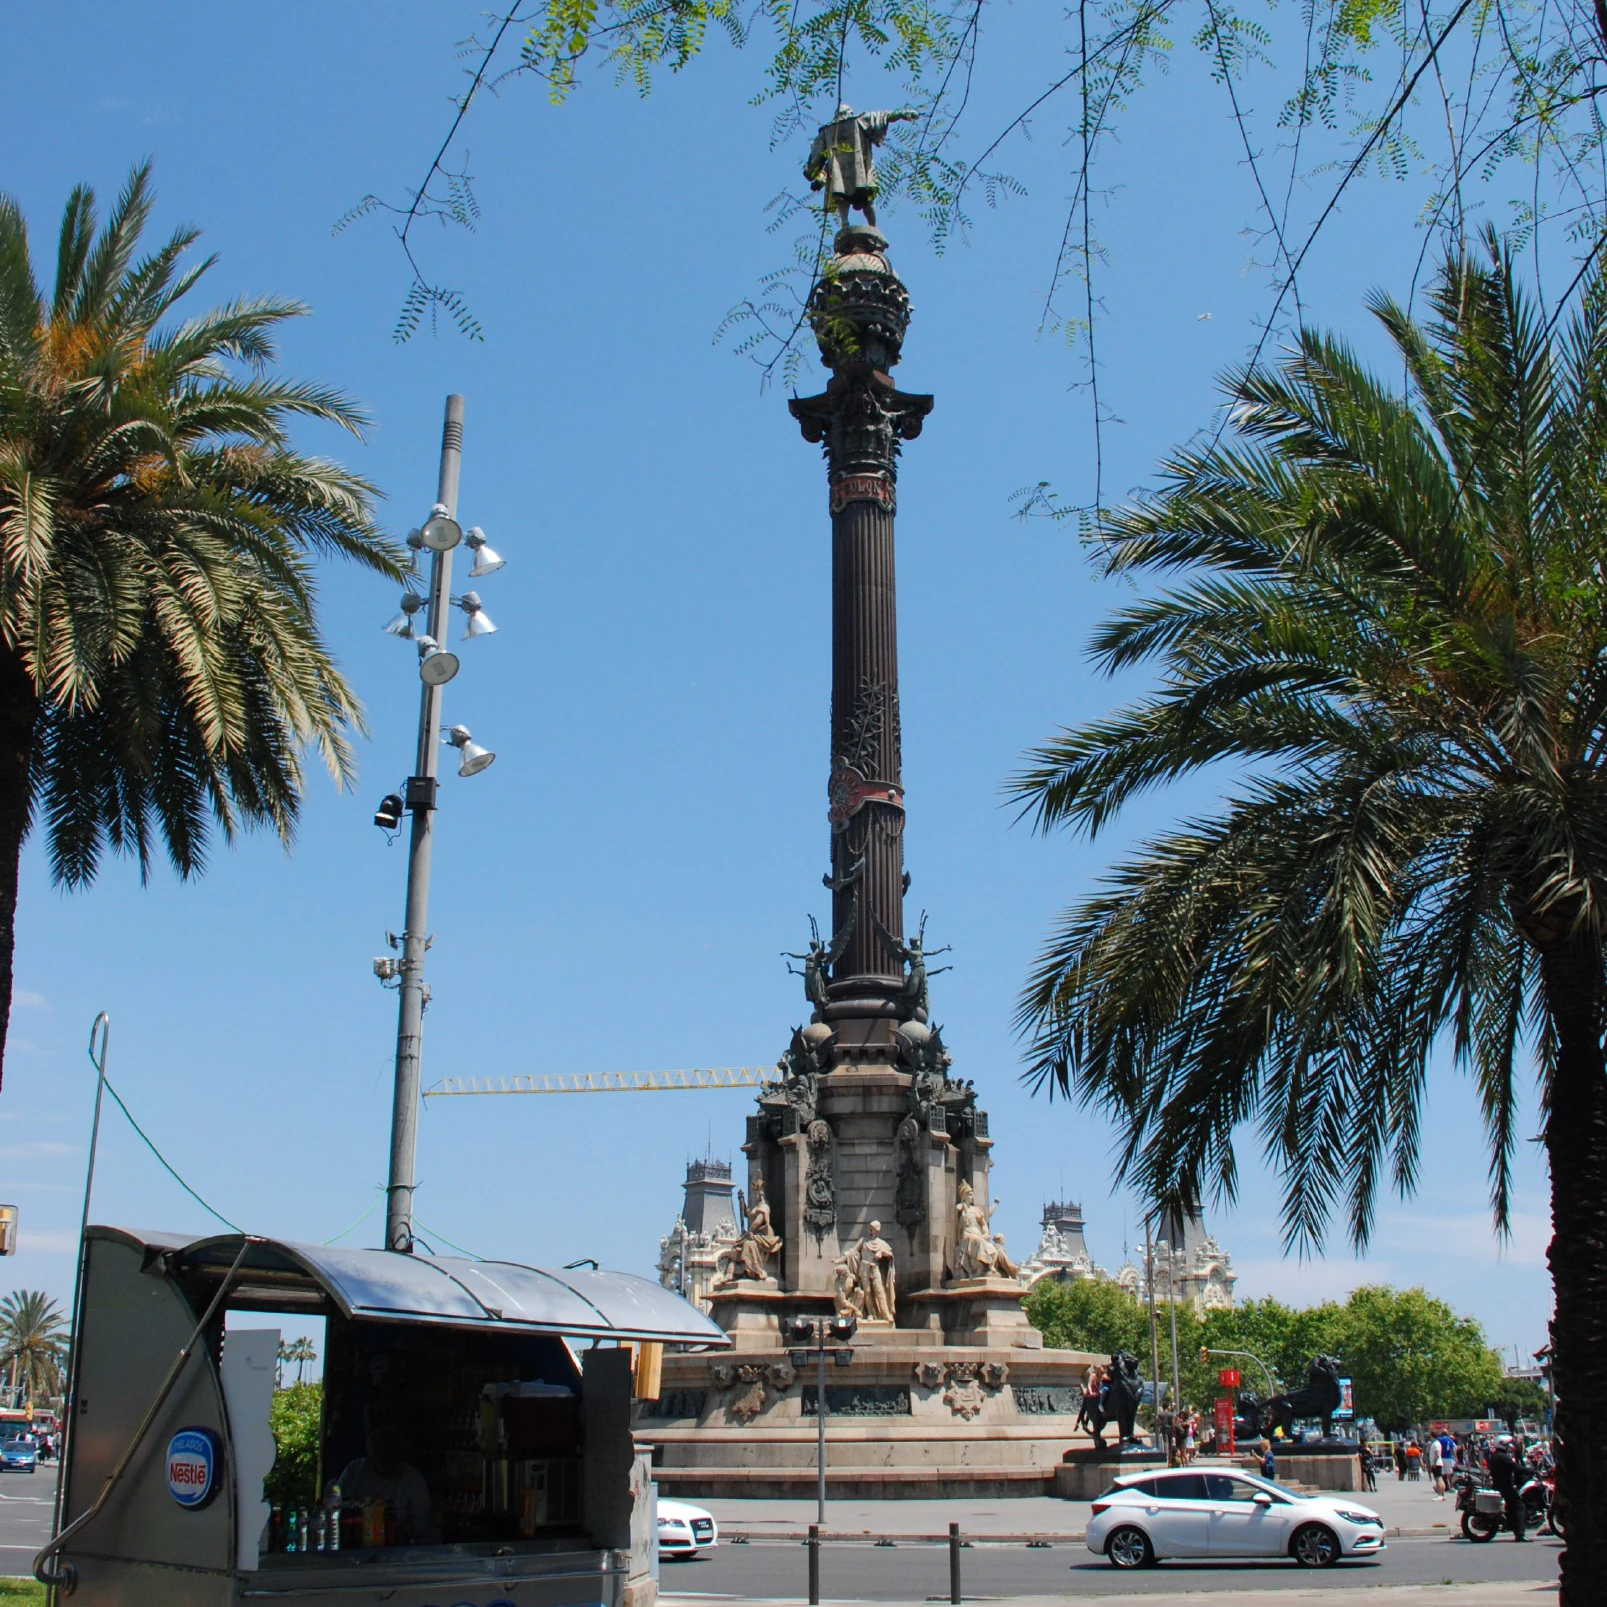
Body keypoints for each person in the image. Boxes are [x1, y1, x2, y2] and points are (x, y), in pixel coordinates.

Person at [333, 1424, 434, 1545]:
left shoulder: (413, 1480)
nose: (389, 1465)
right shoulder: (354, 1471)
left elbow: (421, 1524)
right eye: (384, 1458)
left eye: (393, 1459)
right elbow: (336, 1507)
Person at [1485, 1435, 1527, 1541]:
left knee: (1512, 1507)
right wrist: (1531, 1470)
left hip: (1499, 1485)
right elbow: (1515, 1467)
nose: (1510, 1446)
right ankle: (1520, 1534)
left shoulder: (1496, 1455)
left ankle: (1512, 1525)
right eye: (1508, 1444)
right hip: (1505, 1486)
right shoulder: (1502, 1457)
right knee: (1519, 1506)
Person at [1425, 1432, 1443, 1497]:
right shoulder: (1435, 1443)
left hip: (1437, 1463)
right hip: (1436, 1463)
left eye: (1430, 1436)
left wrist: (1434, 1462)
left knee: (1438, 1479)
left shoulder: (1436, 1444)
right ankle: (1441, 1494)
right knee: (1438, 1479)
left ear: (1432, 1436)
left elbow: (1437, 1454)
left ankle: (1440, 1494)